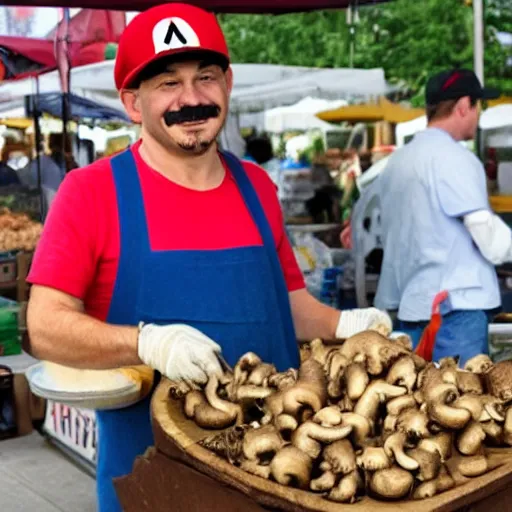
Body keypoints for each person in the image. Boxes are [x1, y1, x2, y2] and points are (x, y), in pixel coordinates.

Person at [26, 4, 391, 511]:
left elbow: (286, 306)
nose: (192, 98)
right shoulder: (92, 193)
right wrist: (146, 343)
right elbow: (44, 326)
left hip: (279, 476)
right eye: (168, 84)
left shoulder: (257, 187)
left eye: (205, 77)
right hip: (151, 483)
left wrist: (349, 323)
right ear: (133, 102)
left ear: (228, 82)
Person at [375, 68, 510, 365]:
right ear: (463, 106)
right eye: (478, 106)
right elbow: (483, 228)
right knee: (462, 403)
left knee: (416, 406)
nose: (478, 115)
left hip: (412, 307)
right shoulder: (454, 158)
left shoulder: (396, 162)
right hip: (456, 309)